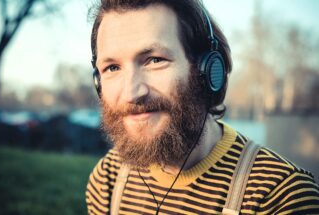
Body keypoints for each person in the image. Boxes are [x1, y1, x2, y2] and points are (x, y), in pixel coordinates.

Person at [85, 0, 319, 214]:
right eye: (112, 68)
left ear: (207, 71)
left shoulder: (281, 197)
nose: (131, 93)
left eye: (155, 60)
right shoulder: (109, 180)